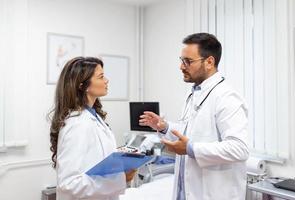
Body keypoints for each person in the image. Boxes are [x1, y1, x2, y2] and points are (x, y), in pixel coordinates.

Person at [139, 33, 249, 200]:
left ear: (209, 62)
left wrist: (191, 149)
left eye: (187, 61)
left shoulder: (227, 98)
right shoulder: (193, 94)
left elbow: (239, 149)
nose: (181, 66)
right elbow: (190, 133)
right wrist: (164, 127)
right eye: (181, 60)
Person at [49, 57, 136, 200]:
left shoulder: (93, 117)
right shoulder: (77, 124)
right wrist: (120, 179)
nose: (107, 80)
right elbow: (69, 183)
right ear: (83, 86)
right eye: (101, 77)